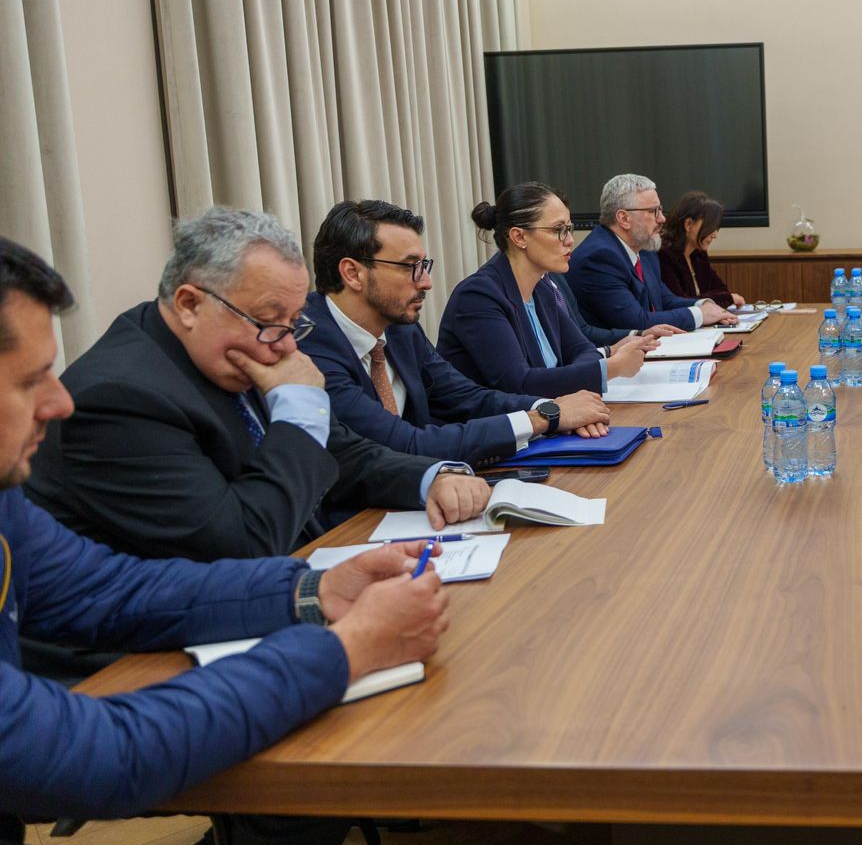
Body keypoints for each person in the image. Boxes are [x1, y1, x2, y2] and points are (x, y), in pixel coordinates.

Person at [0, 236, 449, 845]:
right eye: (28, 381)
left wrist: (315, 589)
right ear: (189, 304)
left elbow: (111, 588)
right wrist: (346, 650)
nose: (58, 402)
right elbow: (104, 752)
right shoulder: (123, 390)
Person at [25, 208, 490, 563]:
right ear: (189, 304)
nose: (286, 345)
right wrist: (301, 408)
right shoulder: (122, 398)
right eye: (269, 321)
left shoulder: (228, 349)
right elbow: (242, 543)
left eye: (294, 322)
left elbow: (342, 450)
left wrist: (430, 478)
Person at [301, 200, 611, 465]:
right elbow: (401, 443)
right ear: (352, 273)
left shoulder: (400, 330)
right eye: (409, 267)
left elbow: (466, 397)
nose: (426, 282)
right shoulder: (310, 346)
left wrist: (551, 410)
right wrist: (544, 418)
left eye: (424, 266)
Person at [438, 184, 671, 400]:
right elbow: (519, 384)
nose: (569, 241)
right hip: (495, 427)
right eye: (559, 230)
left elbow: (583, 350)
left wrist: (571, 388)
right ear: (519, 236)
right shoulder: (478, 296)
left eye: (569, 229)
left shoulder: (542, 287)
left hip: (552, 416)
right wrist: (612, 368)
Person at [566, 173, 736, 331]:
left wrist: (703, 305)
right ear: (624, 218)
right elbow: (637, 322)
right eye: (653, 211)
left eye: (660, 210)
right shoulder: (599, 258)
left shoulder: (646, 251)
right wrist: (699, 315)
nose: (662, 218)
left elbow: (664, 300)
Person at [658, 191, 745, 308]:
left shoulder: (698, 254)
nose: (714, 235)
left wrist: (718, 297)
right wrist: (726, 298)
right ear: (688, 224)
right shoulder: (664, 256)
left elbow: (722, 289)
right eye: (710, 227)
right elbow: (680, 303)